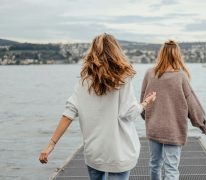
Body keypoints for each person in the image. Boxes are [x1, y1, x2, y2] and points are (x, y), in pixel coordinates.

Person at [39, 33, 156, 180]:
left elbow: (68, 113)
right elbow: (130, 112)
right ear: (116, 51)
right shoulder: (123, 79)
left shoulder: (84, 81)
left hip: (94, 152)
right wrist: (145, 103)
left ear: (93, 51)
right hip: (119, 152)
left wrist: (51, 144)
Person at [140, 40, 206, 180]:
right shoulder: (180, 76)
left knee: (154, 164)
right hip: (173, 129)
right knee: (171, 168)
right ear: (177, 55)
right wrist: (201, 123)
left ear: (161, 54)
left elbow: (143, 100)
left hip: (154, 127)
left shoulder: (149, 73)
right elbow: (192, 103)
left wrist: (147, 116)